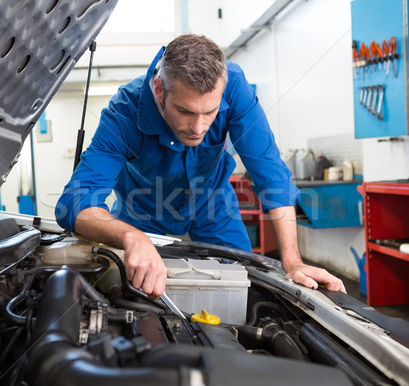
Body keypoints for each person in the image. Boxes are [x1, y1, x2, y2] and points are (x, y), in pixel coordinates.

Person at [56, 34, 345, 298]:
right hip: (141, 211)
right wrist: (131, 237)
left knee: (244, 287)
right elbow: (76, 201)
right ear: (159, 89)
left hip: (213, 206)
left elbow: (271, 175)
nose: (199, 127)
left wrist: (293, 261)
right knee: (128, 291)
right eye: (185, 111)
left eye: (211, 112)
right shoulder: (124, 113)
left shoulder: (234, 85)